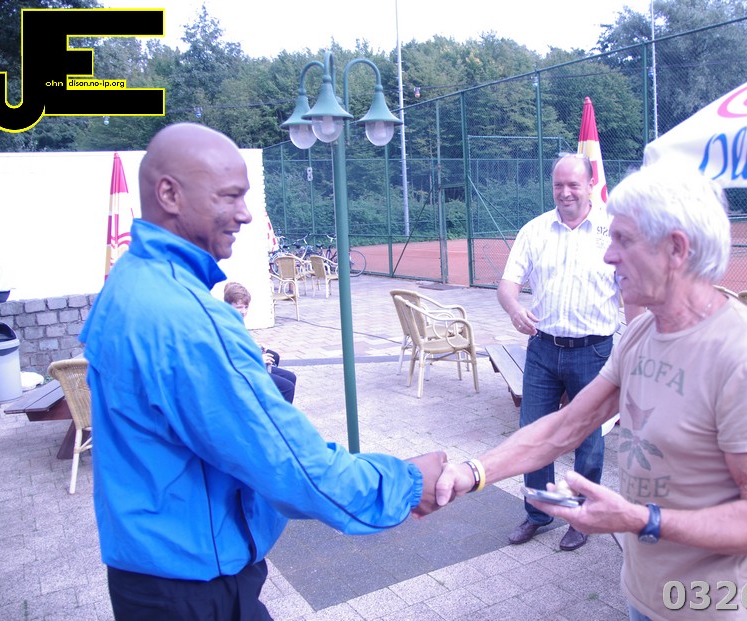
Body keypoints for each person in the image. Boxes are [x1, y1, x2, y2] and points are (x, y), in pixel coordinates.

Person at [79, 123, 447, 621]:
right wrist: (405, 483)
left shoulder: (128, 281)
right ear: (169, 194)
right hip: (193, 586)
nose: (245, 213)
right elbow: (290, 463)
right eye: (229, 196)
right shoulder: (189, 321)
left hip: (148, 571)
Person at [437, 165, 747, 621]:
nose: (609, 256)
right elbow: (567, 425)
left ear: (676, 249)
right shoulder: (642, 333)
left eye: (623, 240)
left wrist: (638, 520)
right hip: (643, 596)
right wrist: (473, 472)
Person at [497, 152, 640, 551]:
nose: (565, 192)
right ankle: (539, 512)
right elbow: (507, 286)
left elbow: (632, 294)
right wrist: (514, 309)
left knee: (588, 438)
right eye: (558, 184)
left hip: (594, 353)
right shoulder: (534, 230)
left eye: (573, 184)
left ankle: (581, 516)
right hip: (542, 350)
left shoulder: (614, 231)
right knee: (534, 433)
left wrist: (635, 345)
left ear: (590, 185)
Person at [223, 281, 297, 403]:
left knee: (287, 373)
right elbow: (231, 357)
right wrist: (258, 358)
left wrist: (255, 346)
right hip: (239, 373)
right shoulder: (226, 325)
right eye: (239, 307)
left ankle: (270, 403)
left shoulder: (234, 320)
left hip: (244, 366)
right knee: (287, 387)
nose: (243, 311)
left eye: (246, 307)